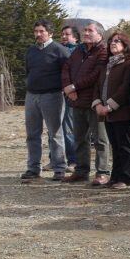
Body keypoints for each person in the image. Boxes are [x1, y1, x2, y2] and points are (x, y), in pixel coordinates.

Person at [61, 22, 110, 185]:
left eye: (90, 30)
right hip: (76, 101)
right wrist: (68, 89)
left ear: (100, 35)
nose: (86, 33)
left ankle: (102, 172)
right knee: (79, 138)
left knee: (100, 139)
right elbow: (66, 68)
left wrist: (75, 86)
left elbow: (96, 75)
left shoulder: (103, 51)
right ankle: (81, 171)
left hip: (94, 102)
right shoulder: (78, 50)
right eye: (85, 30)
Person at [21, 20, 70, 182]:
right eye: (36, 31)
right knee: (32, 134)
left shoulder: (60, 50)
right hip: (31, 96)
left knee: (55, 133)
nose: (38, 34)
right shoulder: (31, 51)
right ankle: (33, 168)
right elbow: (28, 70)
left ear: (50, 33)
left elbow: (68, 73)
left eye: (41, 31)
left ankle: (59, 169)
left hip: (52, 96)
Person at [92, 32, 130, 189]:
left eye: (117, 41)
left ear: (125, 45)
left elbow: (125, 88)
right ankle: (115, 177)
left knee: (124, 146)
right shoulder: (106, 65)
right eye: (111, 41)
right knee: (115, 146)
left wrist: (109, 106)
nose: (113, 43)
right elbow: (98, 87)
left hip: (122, 112)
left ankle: (125, 179)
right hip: (106, 114)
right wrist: (98, 104)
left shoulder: (129, 64)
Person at [59, 25, 80, 170]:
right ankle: (56, 159)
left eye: (67, 34)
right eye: (62, 34)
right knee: (55, 128)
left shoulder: (78, 52)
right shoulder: (58, 51)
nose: (64, 37)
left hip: (71, 94)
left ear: (75, 37)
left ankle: (73, 161)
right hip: (57, 93)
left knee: (68, 128)